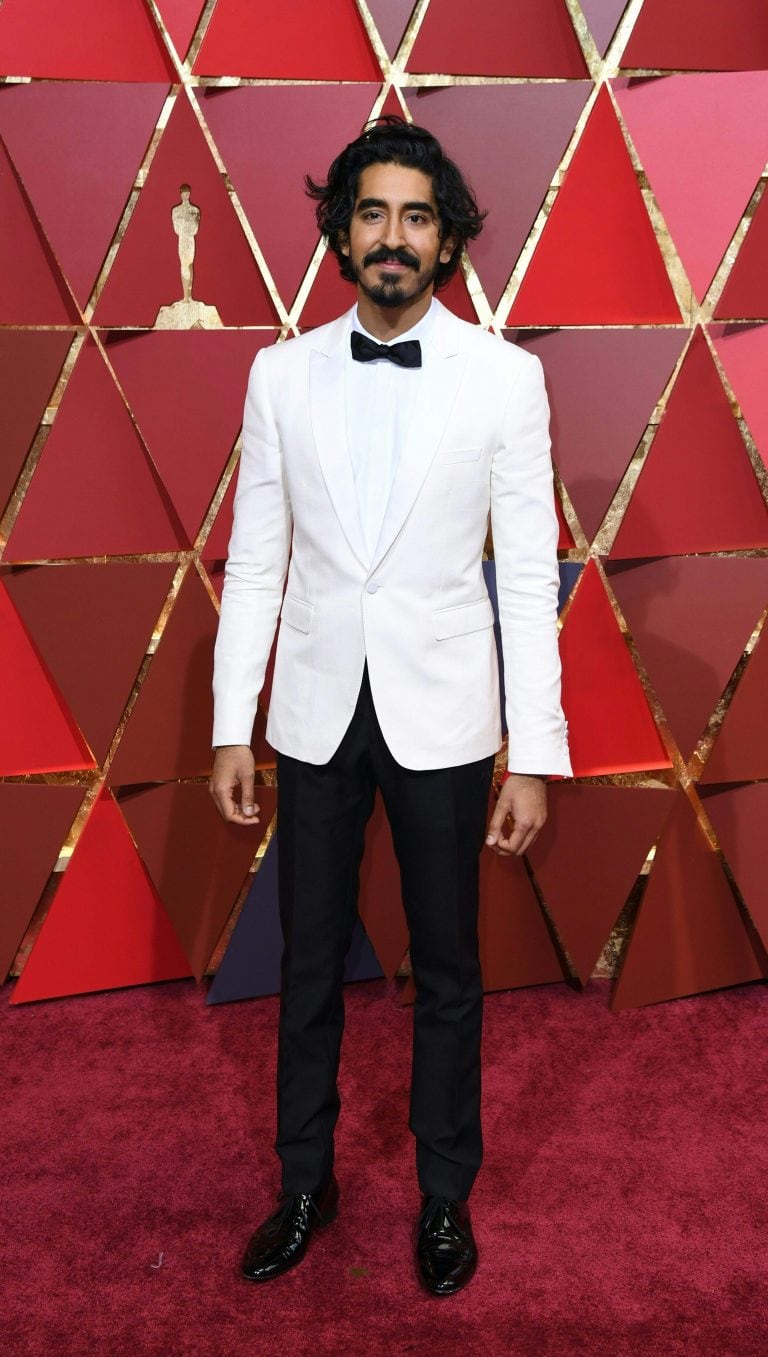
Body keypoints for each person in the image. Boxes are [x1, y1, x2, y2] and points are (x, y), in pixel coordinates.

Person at [209, 116, 571, 1296]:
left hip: (446, 715)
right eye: (373, 212)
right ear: (341, 231)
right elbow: (255, 558)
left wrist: (534, 754)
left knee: (449, 970)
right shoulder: (280, 372)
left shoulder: (507, 380)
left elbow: (525, 571)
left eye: (418, 215)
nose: (394, 236)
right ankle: (302, 1182)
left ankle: (444, 1198)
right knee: (308, 964)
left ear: (449, 238)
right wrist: (231, 721)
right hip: (314, 711)